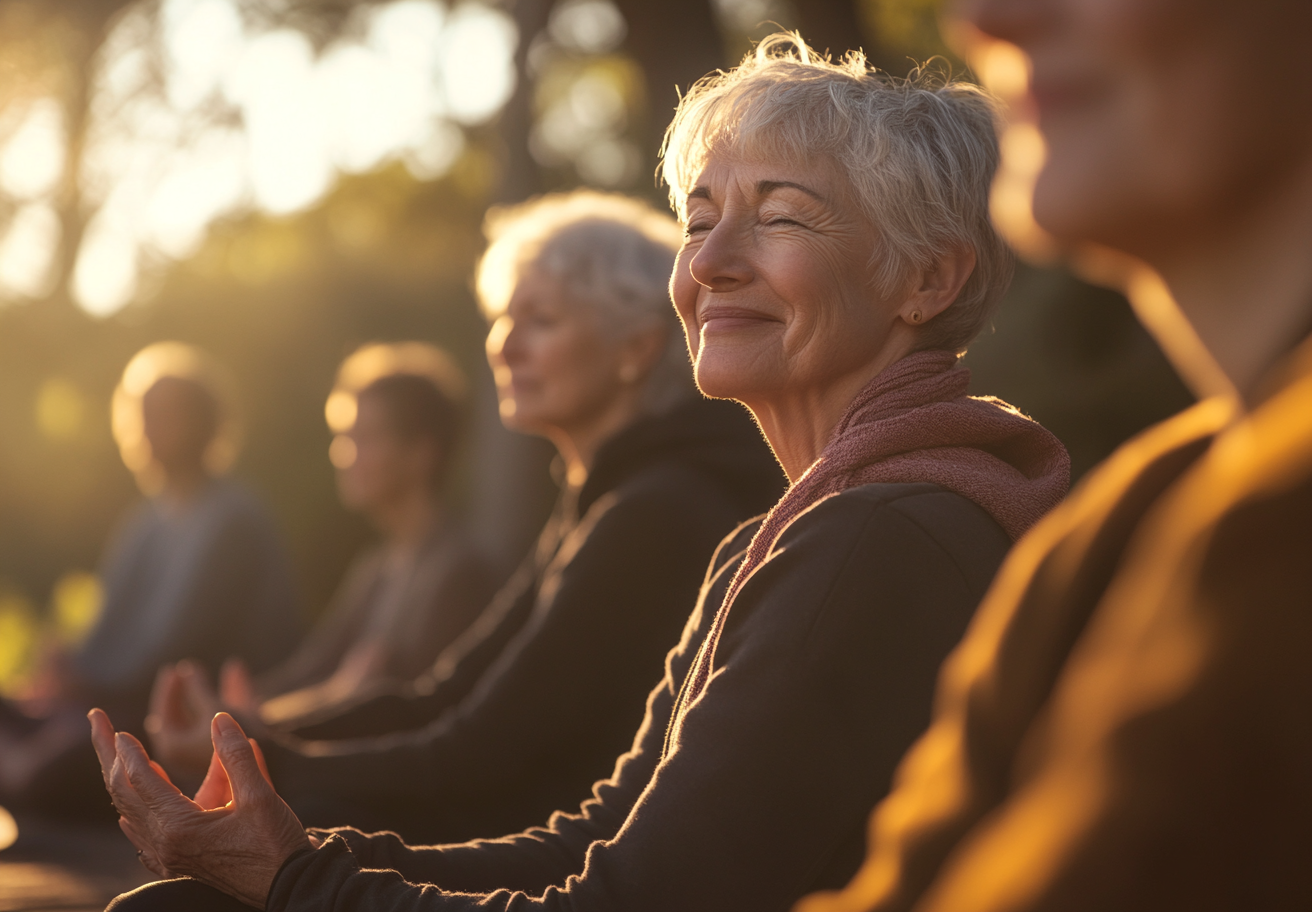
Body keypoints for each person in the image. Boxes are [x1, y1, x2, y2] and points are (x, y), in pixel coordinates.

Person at [90, 38, 1071, 911]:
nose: (711, 263)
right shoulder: (781, 533)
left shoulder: (871, 539)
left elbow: (623, 893)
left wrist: (298, 881)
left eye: (780, 218)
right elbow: (594, 839)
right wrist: (296, 861)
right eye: (699, 222)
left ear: (926, 279)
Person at [791, 1, 1312, 911]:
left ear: (931, 279)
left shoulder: (1274, 514)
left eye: (783, 214)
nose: (987, 16)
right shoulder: (1130, 517)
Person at [142, 190, 785, 844]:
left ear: (638, 347)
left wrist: (262, 765)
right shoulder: (603, 499)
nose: (504, 346)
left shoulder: (652, 513)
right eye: (503, 318)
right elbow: (442, 696)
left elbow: (480, 752)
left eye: (540, 321)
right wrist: (246, 739)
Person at [0, 342, 300, 816]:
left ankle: (20, 772)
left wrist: (83, 679)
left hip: (176, 719)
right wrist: (66, 671)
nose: (148, 427)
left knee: (60, 764)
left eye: (165, 414)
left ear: (203, 424)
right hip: (110, 700)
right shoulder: (144, 521)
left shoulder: (233, 519)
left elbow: (175, 649)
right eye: (142, 413)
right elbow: (106, 631)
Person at [154, 343, 496, 745]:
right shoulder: (379, 567)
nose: (343, 454)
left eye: (365, 438)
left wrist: (240, 724)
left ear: (422, 453)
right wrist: (225, 709)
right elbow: (314, 670)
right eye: (344, 437)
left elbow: (398, 714)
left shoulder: (458, 573)